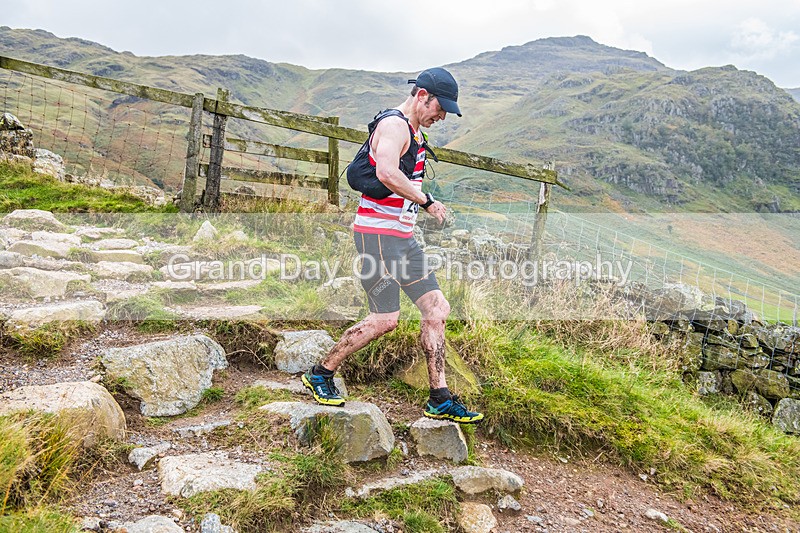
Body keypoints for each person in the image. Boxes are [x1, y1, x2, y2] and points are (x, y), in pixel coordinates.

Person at [301, 67, 484, 424]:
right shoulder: (394, 126)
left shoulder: (414, 131)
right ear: (421, 96)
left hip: (402, 239)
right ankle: (320, 373)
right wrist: (426, 200)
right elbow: (385, 172)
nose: (441, 116)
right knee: (385, 319)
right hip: (377, 237)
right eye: (439, 108)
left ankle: (440, 399)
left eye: (445, 111)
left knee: (437, 309)